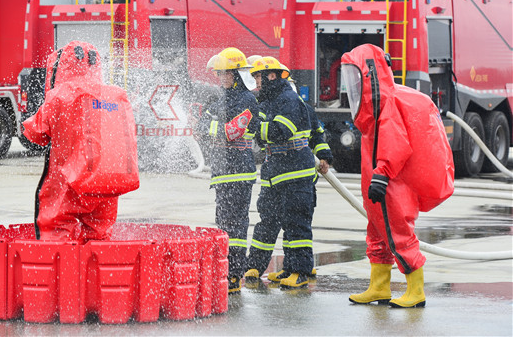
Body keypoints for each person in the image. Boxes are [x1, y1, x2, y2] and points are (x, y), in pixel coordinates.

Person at [341, 44, 454, 308]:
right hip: (378, 180)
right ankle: (379, 287)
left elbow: (396, 144)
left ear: (369, 75)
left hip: (390, 183)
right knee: (378, 233)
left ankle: (416, 290)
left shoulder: (386, 105)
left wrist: (381, 174)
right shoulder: (375, 108)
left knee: (397, 234)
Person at [22, 40, 140, 243]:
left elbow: (36, 133)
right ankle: (97, 272)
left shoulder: (59, 95)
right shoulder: (116, 96)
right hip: (108, 184)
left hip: (68, 183)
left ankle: (59, 272)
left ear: (59, 67)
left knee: (55, 230)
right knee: (99, 236)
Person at [243, 57, 333, 286]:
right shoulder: (269, 102)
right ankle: (259, 266)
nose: (257, 82)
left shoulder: (289, 100)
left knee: (296, 224)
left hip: (295, 173)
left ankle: (300, 272)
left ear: (272, 76)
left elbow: (282, 131)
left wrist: (324, 156)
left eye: (259, 77)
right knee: (269, 221)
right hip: (275, 173)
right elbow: (264, 134)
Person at [193, 47, 259, 294]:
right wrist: (210, 124)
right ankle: (223, 269)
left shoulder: (248, 101)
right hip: (222, 172)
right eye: (218, 74)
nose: (220, 78)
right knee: (222, 224)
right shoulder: (221, 100)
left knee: (237, 226)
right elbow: (201, 126)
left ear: (236, 74)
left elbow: (231, 131)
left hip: (240, 173)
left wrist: (210, 125)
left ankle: (234, 274)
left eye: (224, 73)